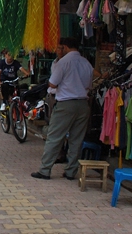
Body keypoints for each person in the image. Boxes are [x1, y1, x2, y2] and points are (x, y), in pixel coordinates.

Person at [31, 37, 95, 181]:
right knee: (76, 139)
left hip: (66, 103)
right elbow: (89, 86)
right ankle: (71, 171)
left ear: (65, 47)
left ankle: (45, 170)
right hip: (83, 104)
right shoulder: (86, 63)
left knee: (54, 137)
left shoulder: (63, 63)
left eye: (60, 47)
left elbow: (52, 84)